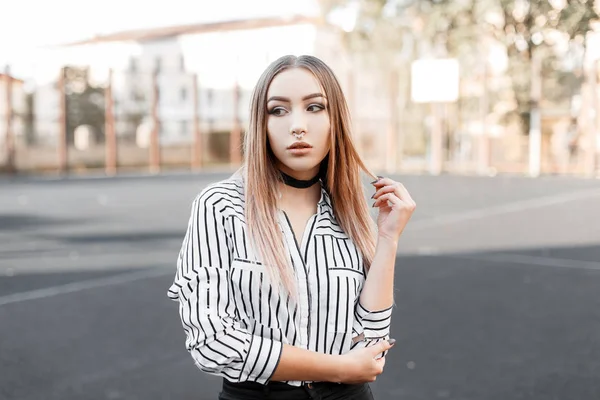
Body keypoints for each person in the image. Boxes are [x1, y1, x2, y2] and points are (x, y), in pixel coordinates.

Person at [167, 54, 416, 400]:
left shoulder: (352, 213)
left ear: (335, 120)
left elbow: (372, 341)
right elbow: (212, 342)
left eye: (314, 107)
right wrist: (339, 368)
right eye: (278, 110)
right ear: (262, 124)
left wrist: (388, 238)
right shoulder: (220, 206)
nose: (297, 125)